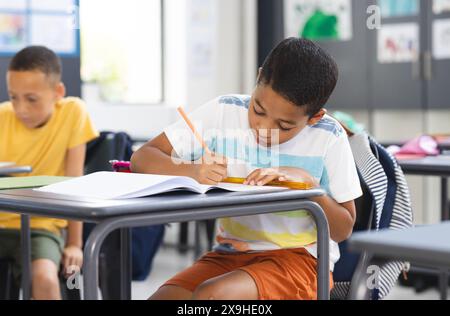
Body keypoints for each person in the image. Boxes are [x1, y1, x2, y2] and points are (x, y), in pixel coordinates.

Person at [131, 38, 362, 300]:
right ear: (258, 78)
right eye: (258, 109)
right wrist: (192, 170)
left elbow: (344, 229)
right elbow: (142, 158)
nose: (264, 129)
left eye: (284, 126)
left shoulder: (328, 136)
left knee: (213, 297)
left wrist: (309, 187)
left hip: (300, 262)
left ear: (314, 117)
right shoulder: (224, 111)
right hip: (230, 254)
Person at [0, 46, 99, 300]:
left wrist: (75, 243)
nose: (21, 108)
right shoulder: (2, 116)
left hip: (40, 226)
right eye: (13, 97)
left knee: (44, 279)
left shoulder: (73, 112)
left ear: (58, 93)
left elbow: (75, 183)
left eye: (31, 99)